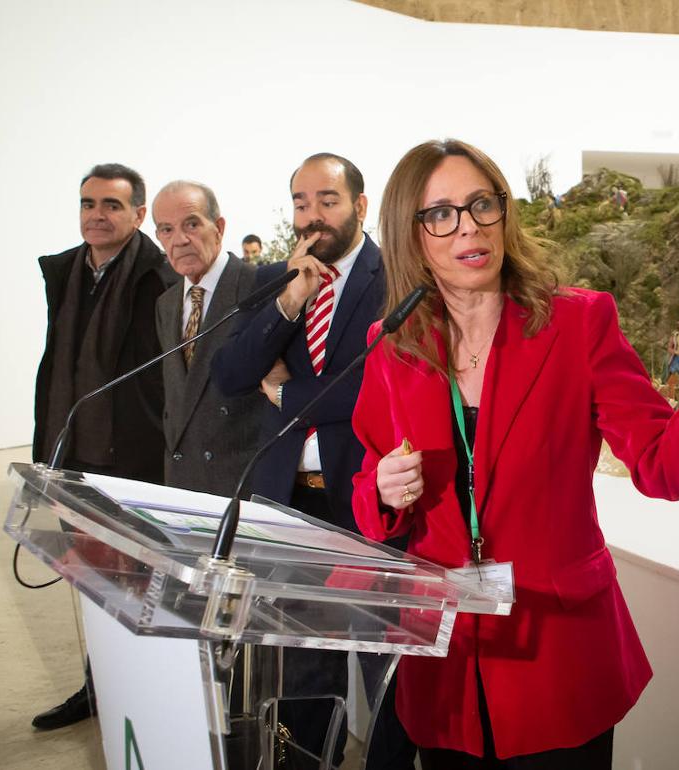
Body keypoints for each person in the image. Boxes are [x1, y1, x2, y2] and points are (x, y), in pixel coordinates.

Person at [350, 138, 679, 767]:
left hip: (557, 657)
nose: (468, 227)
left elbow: (663, 465)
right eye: (441, 213)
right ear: (409, 233)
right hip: (446, 670)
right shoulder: (392, 345)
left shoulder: (576, 324)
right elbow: (369, 486)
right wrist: (384, 491)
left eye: (482, 205)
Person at [211, 153, 408, 768]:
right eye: (301, 202)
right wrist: (291, 299)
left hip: (369, 502)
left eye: (328, 199)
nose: (312, 215)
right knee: (300, 670)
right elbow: (229, 373)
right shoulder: (279, 278)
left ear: (360, 206)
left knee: (386, 669)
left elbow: (382, 382)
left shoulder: (397, 275)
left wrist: (285, 393)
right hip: (289, 505)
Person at [31, 163, 176, 730]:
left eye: (111, 205)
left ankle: (152, 695)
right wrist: (49, 449)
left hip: (138, 461)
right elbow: (55, 366)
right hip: (75, 455)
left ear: (139, 214)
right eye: (88, 203)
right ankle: (100, 687)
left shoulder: (160, 275)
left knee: (142, 586)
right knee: (93, 585)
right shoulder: (64, 271)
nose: (97, 214)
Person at [152, 180, 266, 496]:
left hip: (243, 488)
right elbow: (177, 400)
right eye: (166, 230)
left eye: (191, 224)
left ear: (218, 227)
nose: (180, 240)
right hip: (183, 485)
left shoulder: (260, 287)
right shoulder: (166, 304)